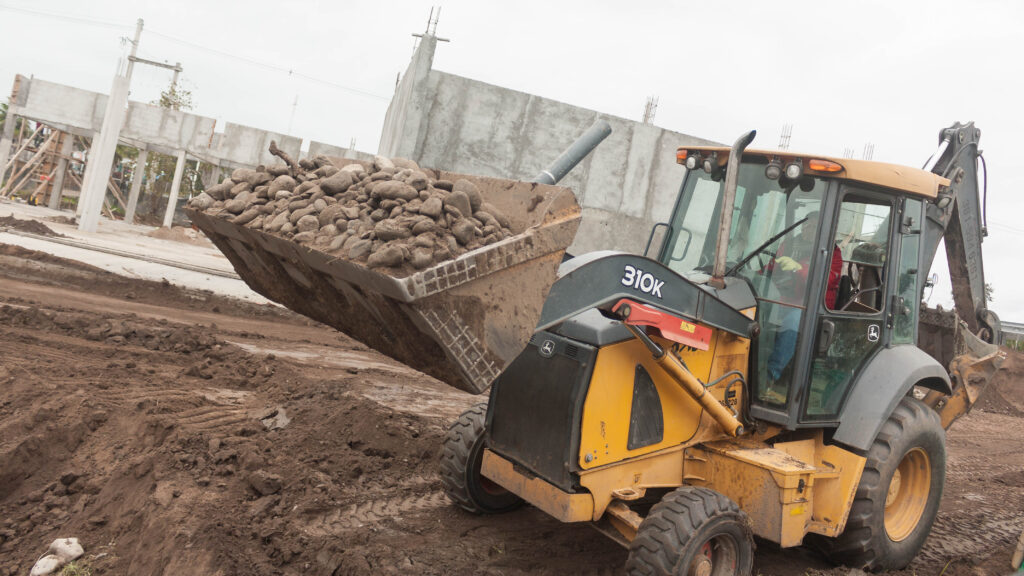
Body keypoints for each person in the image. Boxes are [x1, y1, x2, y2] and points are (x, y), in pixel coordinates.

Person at [764, 211, 842, 391]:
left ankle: (769, 377)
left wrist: (799, 268)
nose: (807, 229)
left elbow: (826, 280)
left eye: (813, 227)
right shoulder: (789, 244)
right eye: (806, 225)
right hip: (784, 299)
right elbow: (773, 266)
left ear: (822, 231)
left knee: (793, 320)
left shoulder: (832, 253)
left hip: (812, 307)